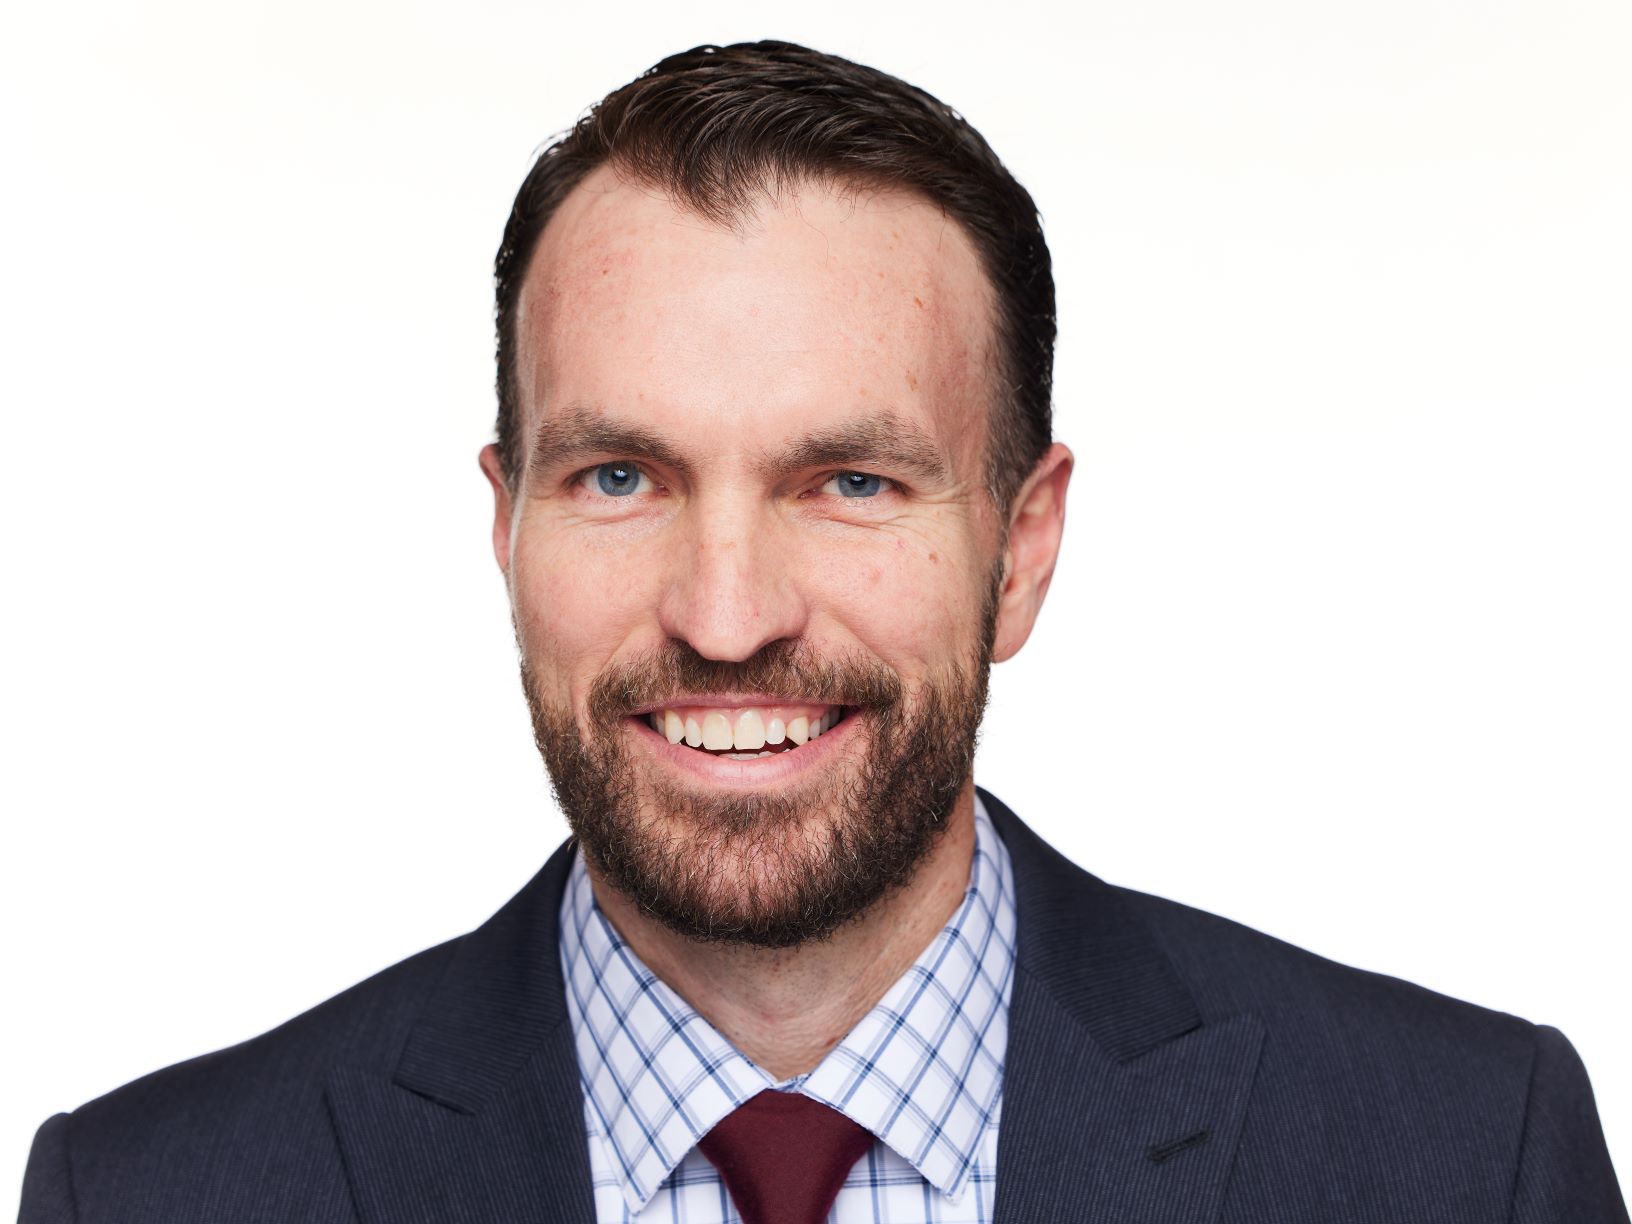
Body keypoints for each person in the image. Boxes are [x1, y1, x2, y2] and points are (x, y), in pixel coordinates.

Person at [18, 40, 1625, 1224]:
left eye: (851, 481)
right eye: (621, 476)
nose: (727, 617)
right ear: (507, 528)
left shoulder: (1463, 1161)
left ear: (1022, 547)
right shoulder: (149, 1197)